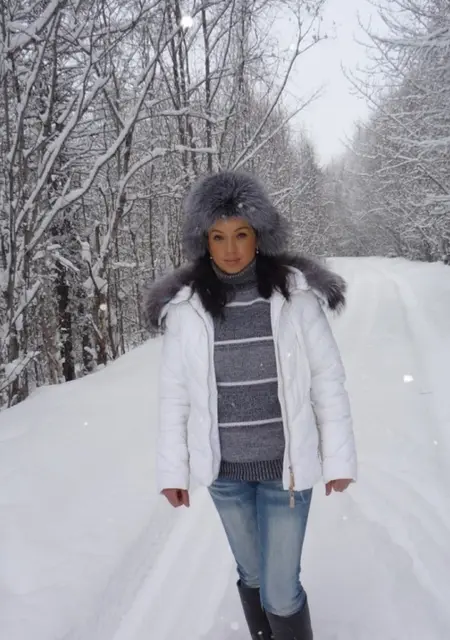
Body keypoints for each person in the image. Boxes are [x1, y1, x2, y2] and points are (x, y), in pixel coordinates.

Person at [146, 171, 357, 640]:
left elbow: (328, 381)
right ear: (204, 241)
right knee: (254, 575)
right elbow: (175, 396)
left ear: (259, 235)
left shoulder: (295, 297)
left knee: (280, 592)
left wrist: (339, 459)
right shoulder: (186, 308)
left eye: (241, 234)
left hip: (286, 471)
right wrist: (173, 471)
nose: (231, 249)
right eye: (218, 237)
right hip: (225, 475)